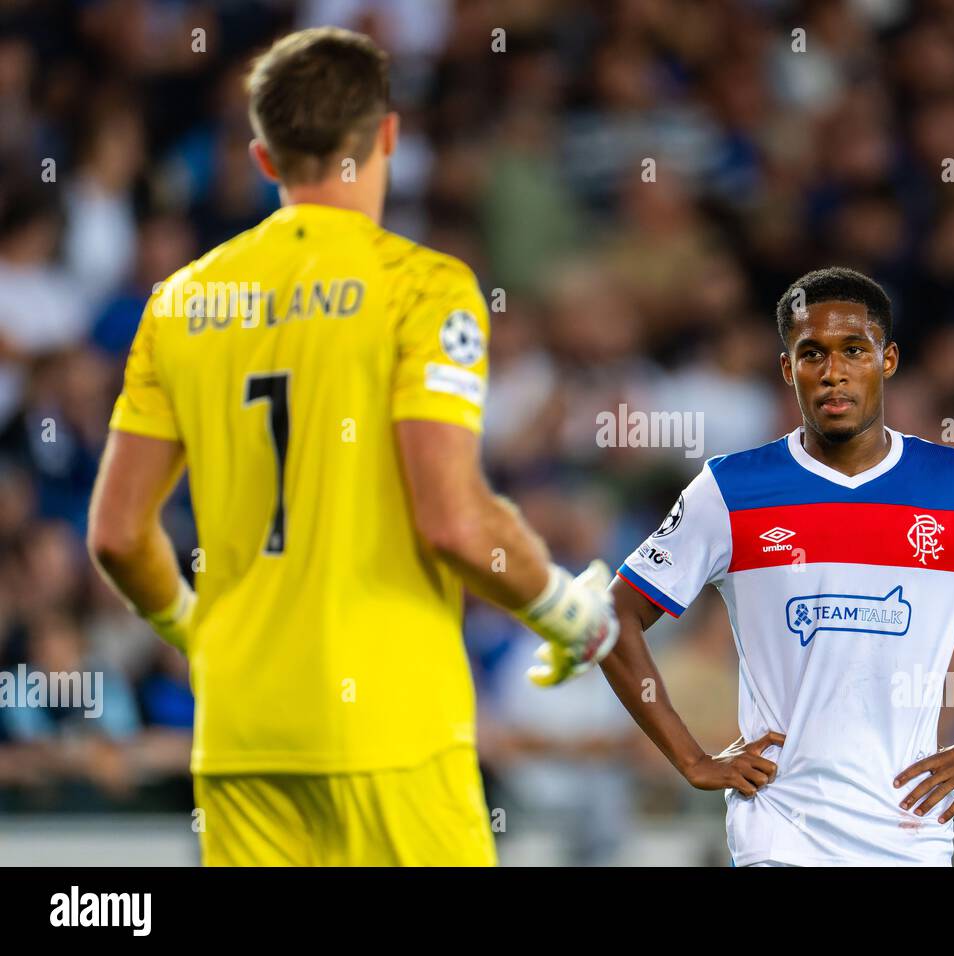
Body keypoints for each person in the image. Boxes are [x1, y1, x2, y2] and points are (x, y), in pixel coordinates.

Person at [85, 27, 617, 867]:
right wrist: (563, 609)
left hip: (244, 735)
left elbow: (116, 534)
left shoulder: (179, 303)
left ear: (264, 158)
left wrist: (195, 634)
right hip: (391, 728)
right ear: (389, 138)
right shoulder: (423, 289)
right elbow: (452, 519)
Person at [601, 266, 954, 866]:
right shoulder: (730, 489)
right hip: (778, 835)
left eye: (853, 350)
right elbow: (613, 617)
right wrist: (692, 758)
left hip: (910, 834)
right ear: (788, 370)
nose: (832, 372)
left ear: (887, 360)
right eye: (812, 354)